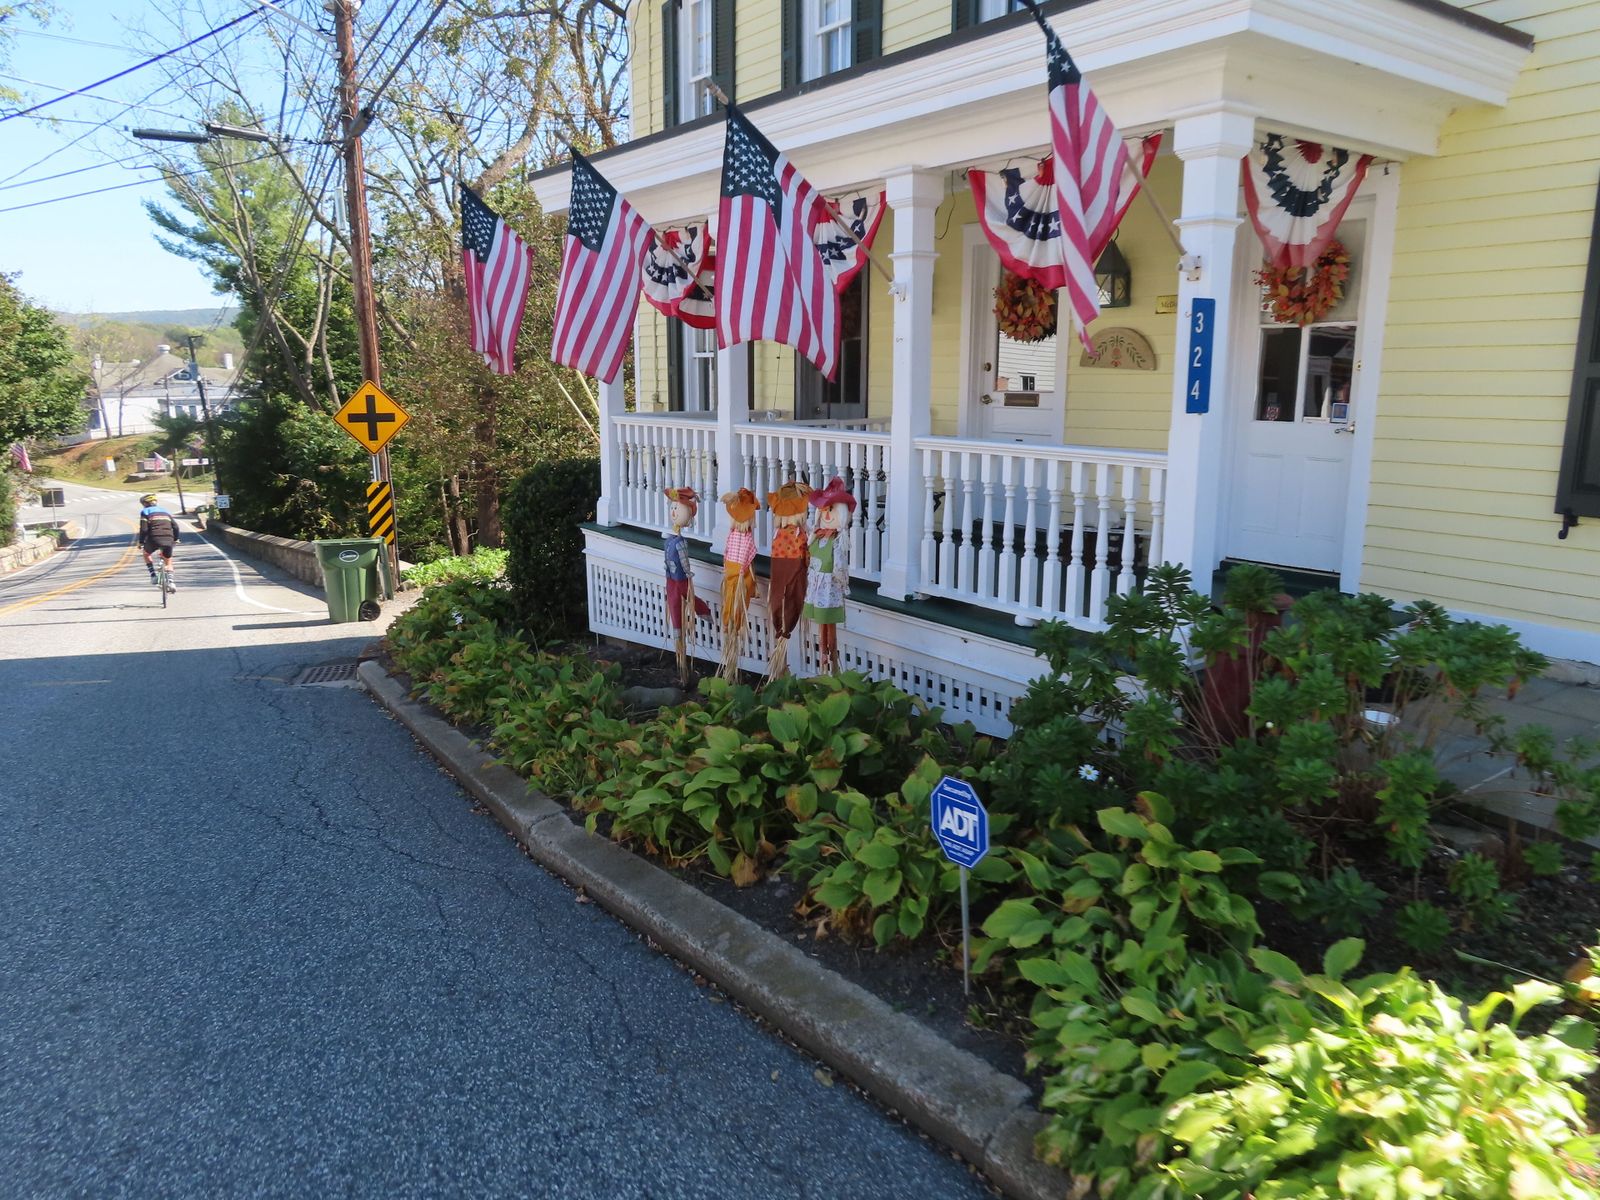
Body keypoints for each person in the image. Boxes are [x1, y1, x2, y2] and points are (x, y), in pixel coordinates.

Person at [137, 493, 180, 591]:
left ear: (145, 503)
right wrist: (176, 539)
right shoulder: (165, 511)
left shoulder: (145, 512)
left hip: (153, 538)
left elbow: (144, 529)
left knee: (146, 553)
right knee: (168, 560)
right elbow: (176, 527)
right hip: (168, 538)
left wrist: (141, 542)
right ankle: (171, 582)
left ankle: (153, 576)